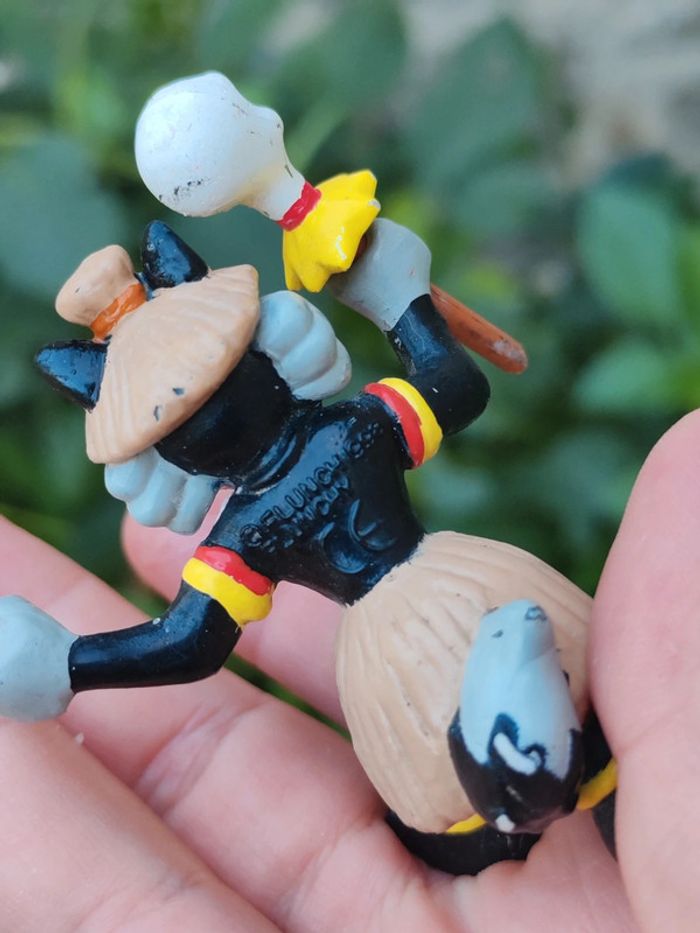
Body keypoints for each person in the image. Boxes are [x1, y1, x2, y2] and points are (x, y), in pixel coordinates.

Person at [0, 405, 698, 931]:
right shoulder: (348, 427)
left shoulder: (250, 523)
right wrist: (397, 297)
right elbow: (454, 385)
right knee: (562, 728)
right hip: (468, 581)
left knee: (457, 789)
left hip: (389, 638)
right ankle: (531, 767)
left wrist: (74, 664)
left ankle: (520, 775)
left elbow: (188, 643)